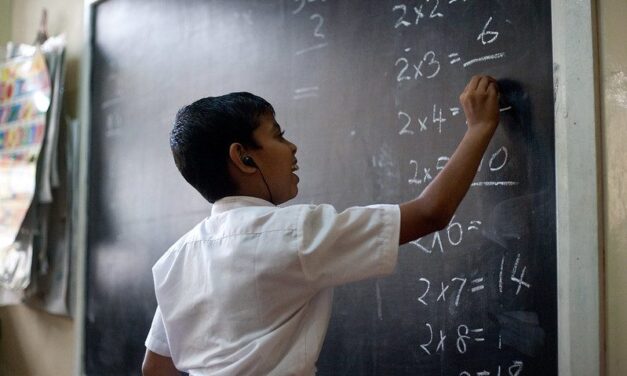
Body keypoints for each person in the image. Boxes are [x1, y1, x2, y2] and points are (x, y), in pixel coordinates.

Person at [142, 75, 501, 376]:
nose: (293, 147)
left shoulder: (176, 260)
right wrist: (480, 128)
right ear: (244, 157)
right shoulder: (294, 234)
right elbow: (429, 213)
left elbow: (155, 368)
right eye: (278, 135)